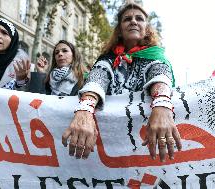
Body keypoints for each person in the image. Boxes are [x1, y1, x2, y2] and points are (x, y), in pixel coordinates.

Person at [62, 3, 182, 162]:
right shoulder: (107, 59)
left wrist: (162, 105)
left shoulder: (156, 56)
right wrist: (85, 109)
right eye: (127, 19)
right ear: (119, 29)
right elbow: (99, 75)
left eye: (139, 18)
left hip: (145, 148)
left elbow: (159, 71)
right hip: (108, 148)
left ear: (146, 28)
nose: (133, 21)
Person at [0, 18, 30, 90]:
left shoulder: (19, 64)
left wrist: (21, 80)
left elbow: (22, 96)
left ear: (12, 40)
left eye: (4, 33)